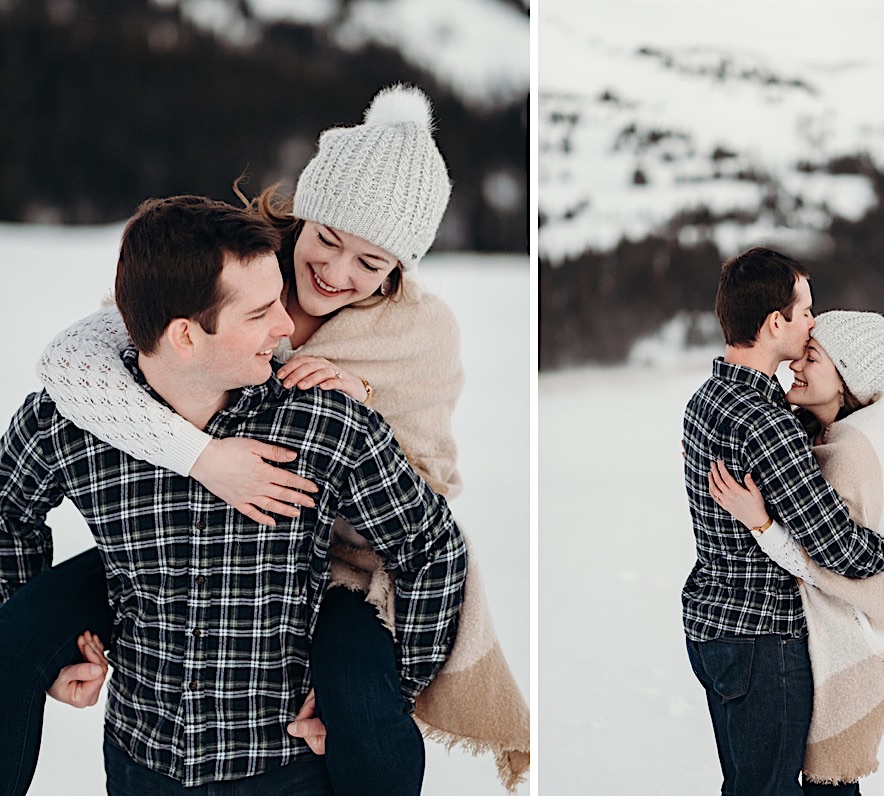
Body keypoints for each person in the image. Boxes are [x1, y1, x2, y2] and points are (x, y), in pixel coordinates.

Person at [4, 85, 529, 795]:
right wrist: (203, 457)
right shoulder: (230, 263)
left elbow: (424, 512)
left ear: (399, 268)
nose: (337, 273)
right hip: (167, 540)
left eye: (371, 264)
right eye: (329, 241)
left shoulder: (412, 343)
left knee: (362, 704)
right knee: (21, 628)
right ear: (303, 217)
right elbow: (107, 348)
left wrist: (355, 401)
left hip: (342, 562)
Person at [681, 247, 884, 794]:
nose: (811, 322)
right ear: (775, 322)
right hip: (764, 640)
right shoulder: (767, 424)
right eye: (804, 310)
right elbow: (837, 546)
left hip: (713, 628)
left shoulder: (705, 398)